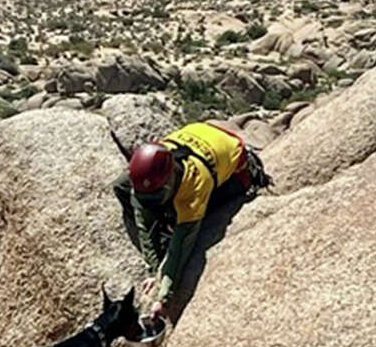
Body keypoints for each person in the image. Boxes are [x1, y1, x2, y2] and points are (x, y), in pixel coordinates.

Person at [113, 121, 268, 320]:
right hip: (201, 134)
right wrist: (155, 267)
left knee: (186, 219)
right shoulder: (149, 166)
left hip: (235, 168)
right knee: (121, 187)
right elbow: (144, 223)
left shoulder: (195, 185)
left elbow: (181, 245)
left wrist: (163, 295)